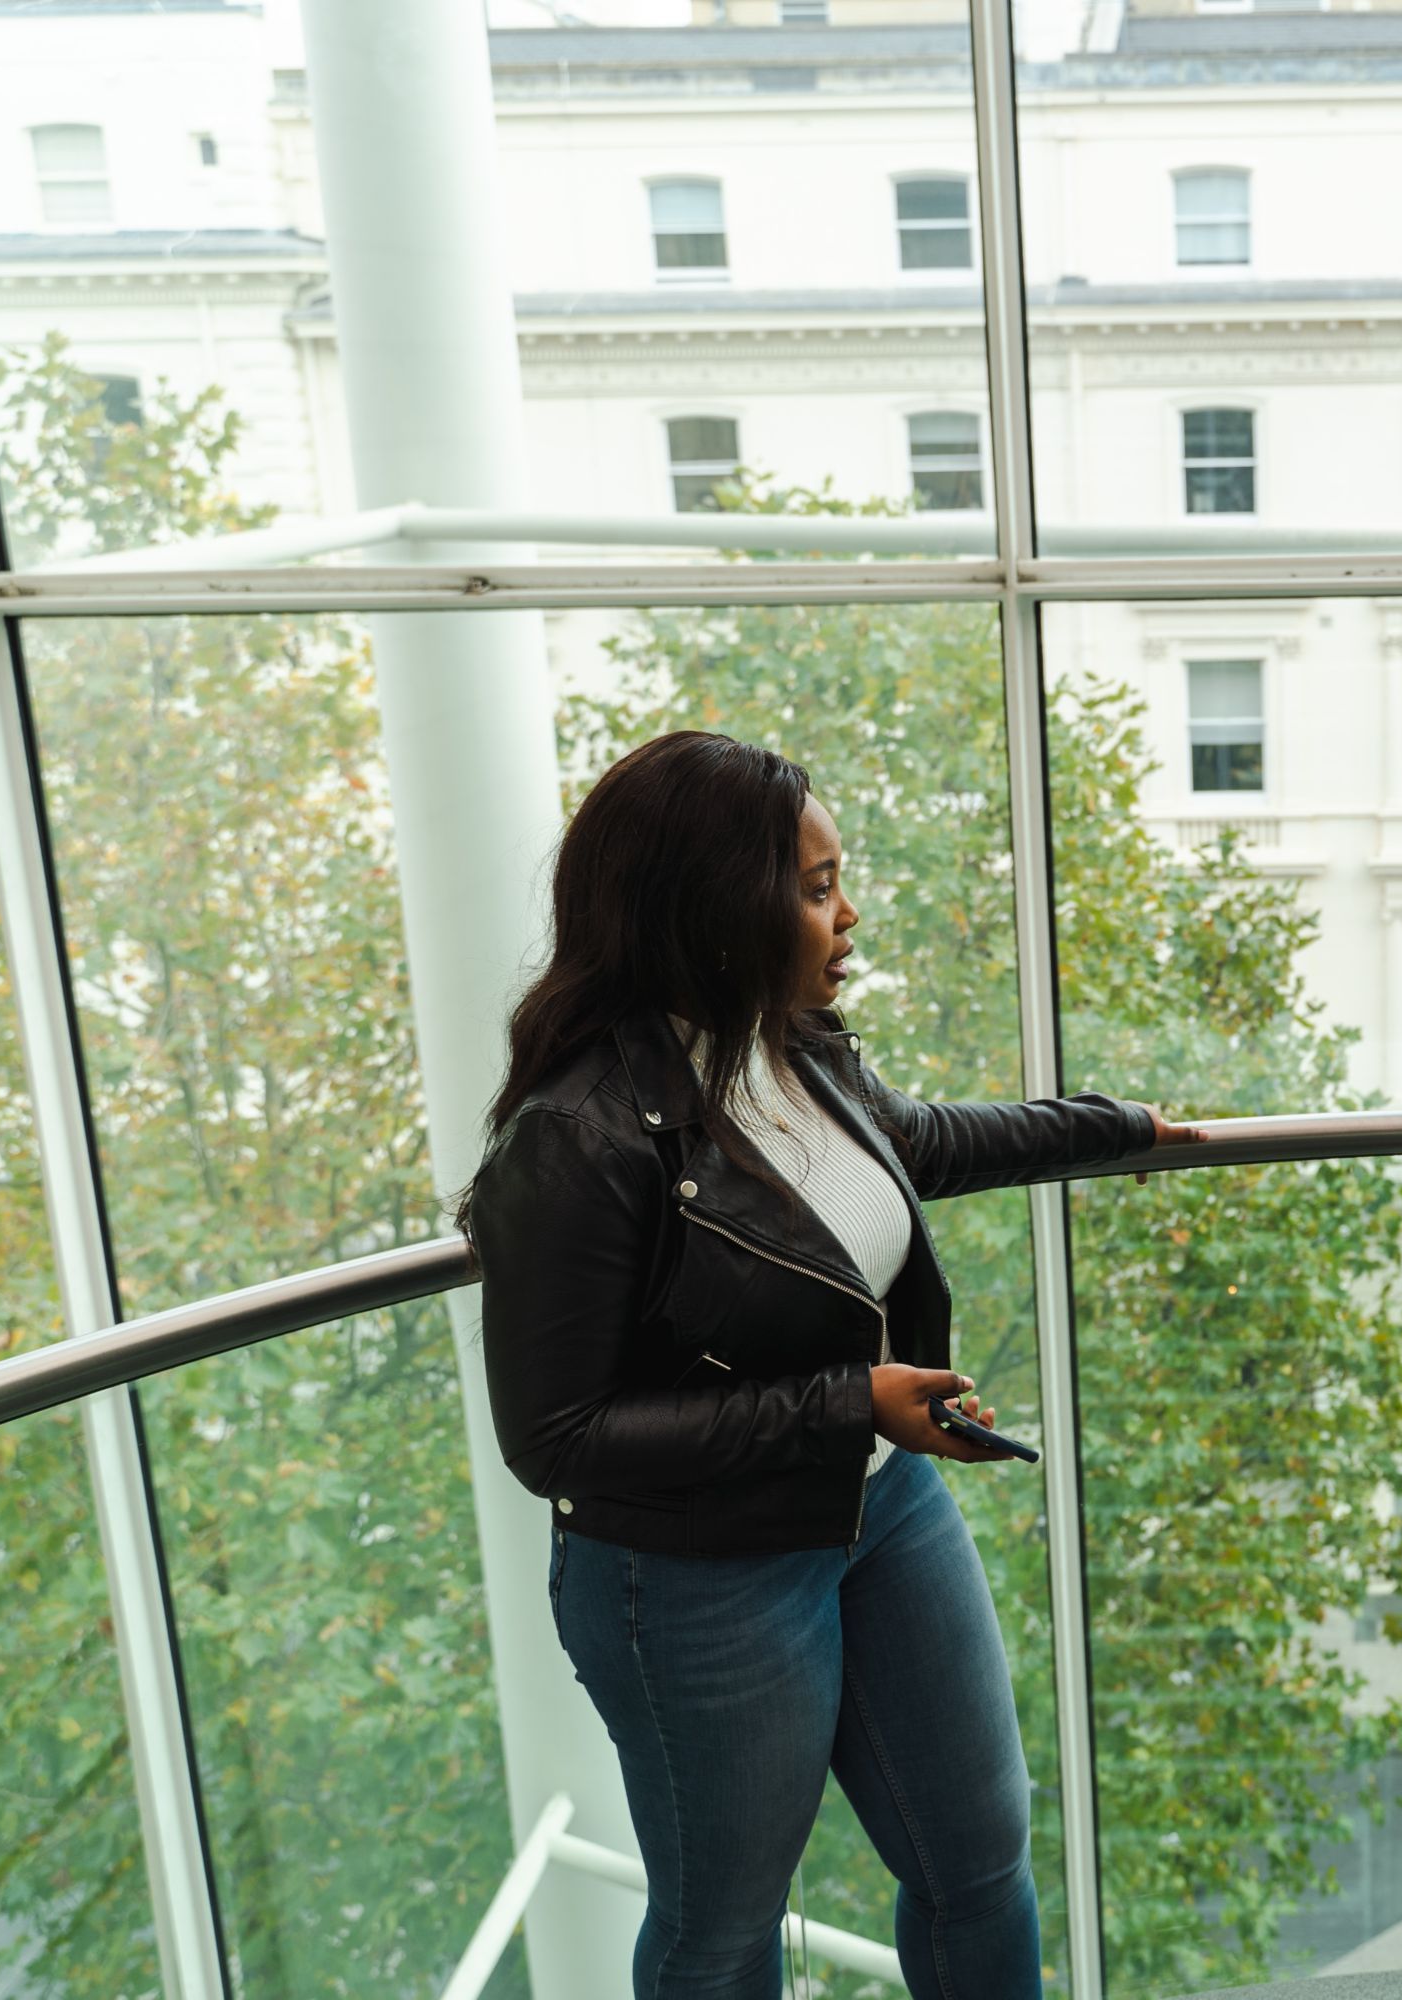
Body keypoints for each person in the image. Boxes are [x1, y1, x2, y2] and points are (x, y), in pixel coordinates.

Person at [462, 730, 1201, 2000]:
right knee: (723, 1932)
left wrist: (1117, 1127)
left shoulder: (788, 1039)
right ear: (714, 910)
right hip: (693, 1578)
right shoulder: (575, 1137)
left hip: (877, 1503)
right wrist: (849, 1399)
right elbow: (557, 1438)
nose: (847, 913)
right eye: (815, 889)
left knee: (979, 1858)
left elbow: (909, 1143)